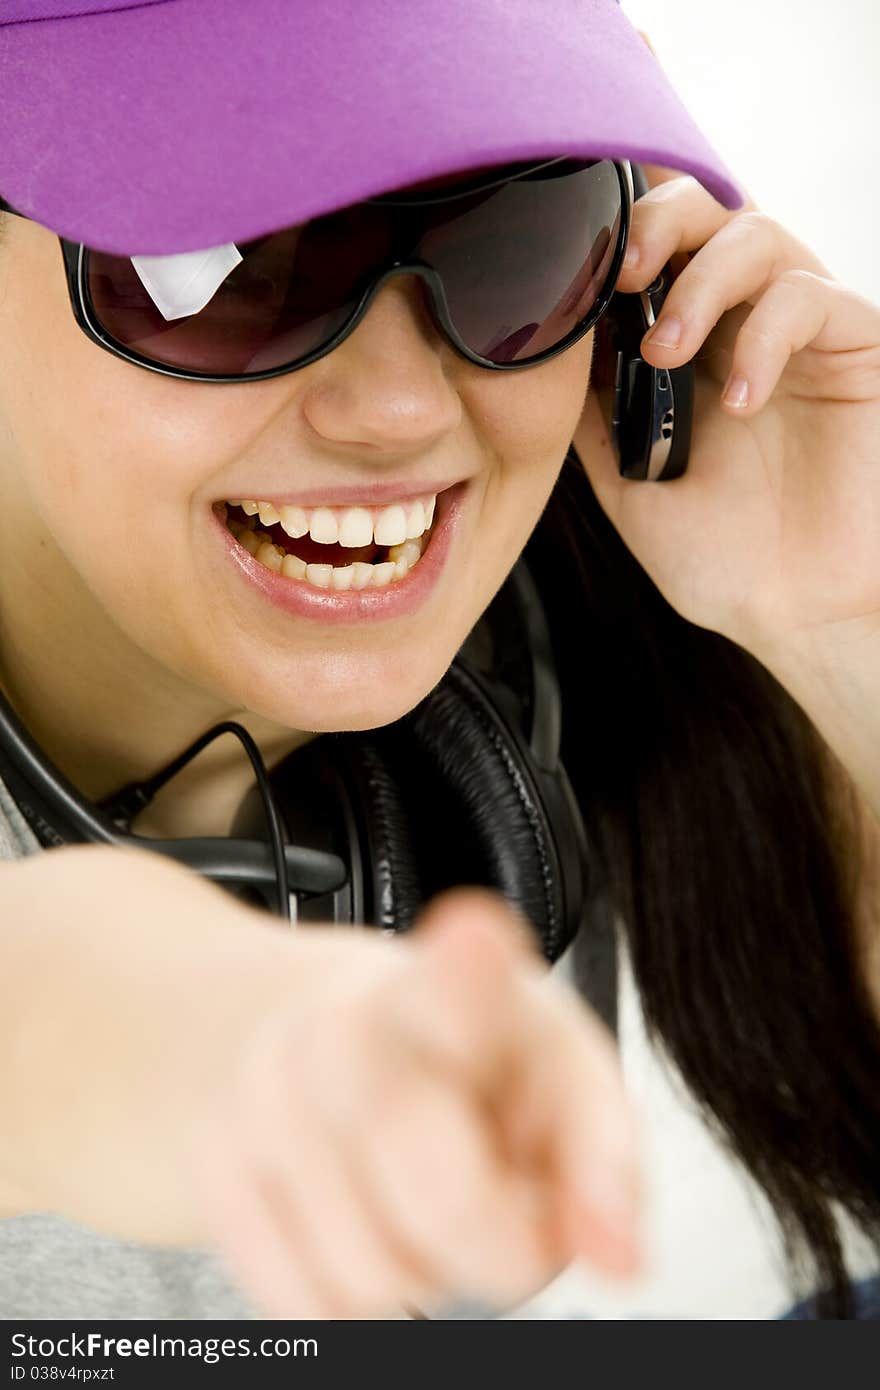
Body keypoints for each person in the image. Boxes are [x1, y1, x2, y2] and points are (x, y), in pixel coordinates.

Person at [0, 0, 878, 1323]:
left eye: (516, 240)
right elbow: (47, 992)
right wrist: (272, 1050)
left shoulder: (559, 641)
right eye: (229, 266)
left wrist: (849, 628)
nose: (403, 408)